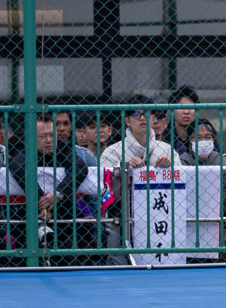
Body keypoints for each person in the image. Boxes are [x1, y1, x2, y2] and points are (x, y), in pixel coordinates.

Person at [5, 115, 94, 263]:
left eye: (52, 135)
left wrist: (56, 195)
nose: (49, 140)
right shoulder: (19, 144)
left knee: (70, 251)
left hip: (61, 208)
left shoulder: (62, 145)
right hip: (27, 210)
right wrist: (42, 200)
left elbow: (79, 168)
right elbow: (18, 167)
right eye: (43, 136)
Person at [99, 96, 178, 170]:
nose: (142, 118)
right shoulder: (113, 152)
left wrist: (167, 169)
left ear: (153, 118)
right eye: (136, 115)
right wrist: (125, 167)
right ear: (127, 121)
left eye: (147, 113)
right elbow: (103, 177)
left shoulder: (167, 150)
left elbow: (181, 176)